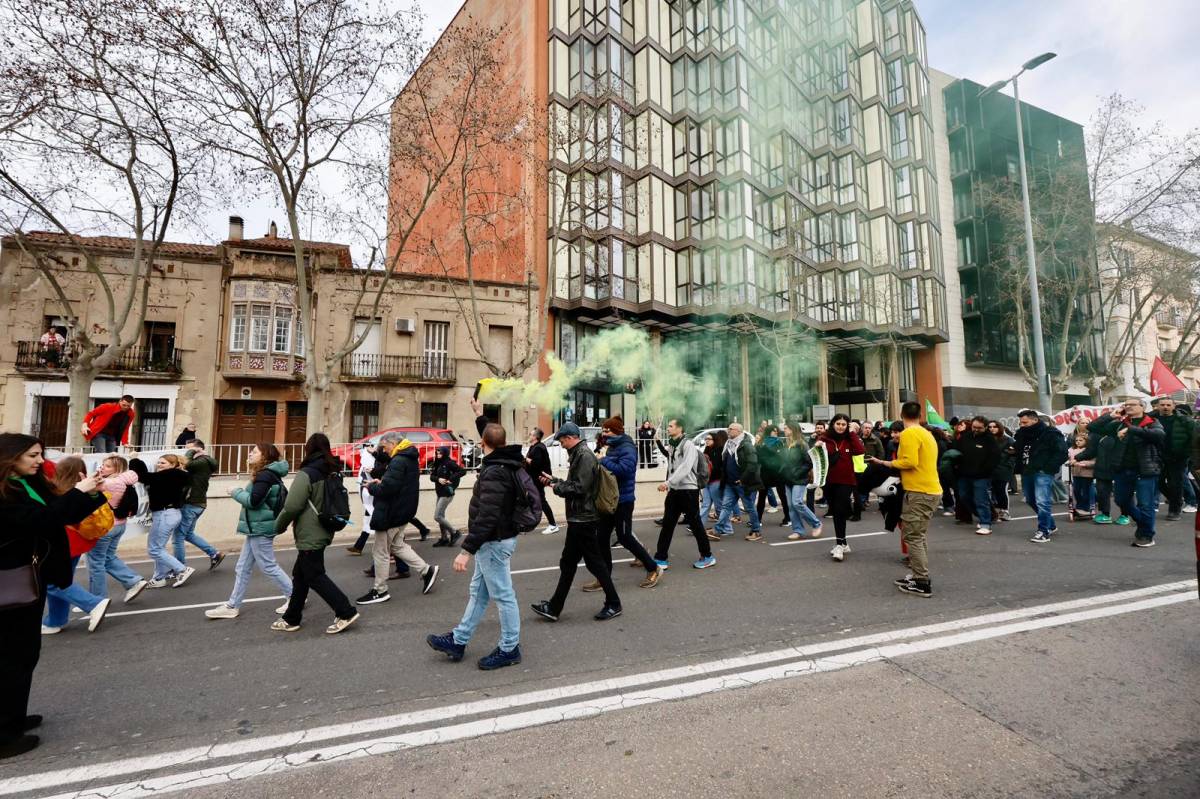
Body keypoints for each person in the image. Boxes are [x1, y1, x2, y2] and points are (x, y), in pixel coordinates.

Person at [0, 433, 105, 760]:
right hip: (10, 578)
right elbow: (42, 520)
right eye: (32, 455)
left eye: (39, 454)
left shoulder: (29, 483)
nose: (38, 460)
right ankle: (4, 736)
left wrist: (93, 494)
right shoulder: (6, 491)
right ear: (11, 457)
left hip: (30, 576)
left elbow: (62, 512)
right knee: (11, 657)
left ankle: (15, 717)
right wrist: (78, 492)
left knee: (25, 653)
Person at [427, 400, 524, 669]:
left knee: (503, 596)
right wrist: (479, 415)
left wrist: (466, 551)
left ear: (483, 444)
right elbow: (491, 434)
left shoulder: (495, 472)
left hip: (493, 541)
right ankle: (458, 640)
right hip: (493, 540)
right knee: (479, 593)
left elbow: (487, 516)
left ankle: (509, 648)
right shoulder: (507, 458)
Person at [531, 422, 622, 622]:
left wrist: (556, 487)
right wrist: (555, 480)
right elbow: (577, 485)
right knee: (569, 563)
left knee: (594, 563)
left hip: (584, 519)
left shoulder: (584, 456)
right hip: (579, 518)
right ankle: (554, 607)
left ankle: (614, 603)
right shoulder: (579, 455)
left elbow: (580, 488)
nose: (561, 444)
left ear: (571, 437)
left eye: (562, 440)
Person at [272, 434, 358, 634]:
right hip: (325, 526)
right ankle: (292, 617)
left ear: (308, 449)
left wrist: (277, 527)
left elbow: (292, 506)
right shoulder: (332, 470)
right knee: (301, 575)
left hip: (310, 531)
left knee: (314, 575)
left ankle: (345, 611)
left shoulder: (307, 473)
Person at [205, 444, 293, 620]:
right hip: (257, 527)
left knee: (268, 565)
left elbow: (254, 501)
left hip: (260, 528)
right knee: (242, 567)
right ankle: (232, 605)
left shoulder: (264, 476)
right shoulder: (269, 474)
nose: (250, 454)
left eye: (254, 452)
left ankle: (295, 597)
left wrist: (235, 492)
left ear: (265, 456)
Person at [868, 402, 941, 598]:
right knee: (919, 535)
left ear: (901, 415)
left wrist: (884, 463)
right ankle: (918, 576)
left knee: (913, 537)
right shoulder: (926, 433)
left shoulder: (909, 433)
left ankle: (922, 582)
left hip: (920, 491)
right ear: (920, 414)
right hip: (928, 490)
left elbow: (909, 462)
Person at [357, 432, 439, 605]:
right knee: (398, 546)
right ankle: (426, 570)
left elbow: (388, 489)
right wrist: (383, 483)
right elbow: (397, 484)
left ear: (393, 443)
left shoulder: (399, 460)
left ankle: (380, 590)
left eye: (385, 447)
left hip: (391, 513)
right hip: (401, 511)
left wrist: (372, 488)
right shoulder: (407, 457)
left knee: (380, 552)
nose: (384, 451)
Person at [40, 457, 113, 635]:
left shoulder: (57, 490)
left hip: (63, 544)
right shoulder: (85, 487)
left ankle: (93, 603)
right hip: (79, 543)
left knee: (53, 583)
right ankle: (55, 620)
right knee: (62, 581)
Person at [588, 416, 660, 589]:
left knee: (625, 537)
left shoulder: (627, 447)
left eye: (607, 430)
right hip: (609, 499)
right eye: (603, 430)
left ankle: (653, 568)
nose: (604, 433)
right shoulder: (612, 446)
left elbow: (625, 470)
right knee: (602, 538)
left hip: (623, 500)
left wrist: (603, 459)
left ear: (617, 431)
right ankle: (605, 578)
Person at [1087, 400, 1165, 547]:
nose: (1128, 406)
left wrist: (1131, 429)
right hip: (1123, 470)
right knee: (1121, 501)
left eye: (1133, 404)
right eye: (1126, 404)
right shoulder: (1120, 423)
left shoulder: (1152, 422)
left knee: (1145, 504)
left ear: (1142, 407)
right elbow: (1092, 427)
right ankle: (1143, 523)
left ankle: (1146, 535)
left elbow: (1158, 435)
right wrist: (1110, 416)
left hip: (1146, 471)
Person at [652, 418, 714, 570]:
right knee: (667, 524)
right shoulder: (674, 445)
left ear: (680, 428)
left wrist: (668, 483)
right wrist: (658, 442)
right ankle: (660, 558)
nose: (668, 429)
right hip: (675, 491)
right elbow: (670, 458)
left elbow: (685, 468)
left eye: (671, 426)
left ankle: (707, 556)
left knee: (696, 525)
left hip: (688, 491)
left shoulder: (688, 445)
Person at [87, 455, 148, 604]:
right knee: (108, 558)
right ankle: (133, 581)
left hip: (105, 527)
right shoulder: (124, 481)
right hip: (119, 525)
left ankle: (97, 600)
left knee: (96, 563)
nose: (102, 467)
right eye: (103, 464)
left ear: (118, 469)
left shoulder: (110, 483)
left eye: (107, 466)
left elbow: (84, 487)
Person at [130, 454, 195, 587]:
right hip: (171, 514)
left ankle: (182, 569)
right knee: (159, 548)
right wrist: (138, 461)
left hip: (164, 515)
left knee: (154, 550)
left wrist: (134, 459)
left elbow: (141, 476)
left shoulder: (168, 475)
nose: (159, 465)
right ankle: (159, 578)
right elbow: (147, 476)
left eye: (163, 463)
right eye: (158, 462)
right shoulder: (175, 476)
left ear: (172, 465)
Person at [1012, 409, 1069, 543]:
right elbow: (1019, 449)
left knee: (1042, 501)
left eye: (1025, 422)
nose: (1022, 425)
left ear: (1035, 420)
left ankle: (1043, 531)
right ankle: (1051, 524)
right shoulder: (1021, 434)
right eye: (1020, 422)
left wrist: (1048, 468)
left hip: (1042, 471)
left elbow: (1061, 452)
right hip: (1027, 471)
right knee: (1030, 499)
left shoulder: (1050, 433)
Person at [818, 414, 864, 562]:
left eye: (844, 424)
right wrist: (817, 445)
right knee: (835, 510)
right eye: (838, 423)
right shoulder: (825, 438)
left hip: (846, 481)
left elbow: (860, 450)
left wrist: (851, 432)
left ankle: (839, 544)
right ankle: (843, 542)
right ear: (833, 424)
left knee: (839, 511)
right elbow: (816, 456)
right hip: (829, 481)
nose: (840, 427)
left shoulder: (850, 439)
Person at [176, 439, 225, 571]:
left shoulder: (201, 462)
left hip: (192, 503)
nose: (186, 452)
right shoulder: (204, 462)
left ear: (198, 449)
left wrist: (191, 451)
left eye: (189, 449)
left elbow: (186, 464)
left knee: (178, 536)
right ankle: (214, 553)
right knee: (188, 534)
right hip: (197, 503)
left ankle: (179, 568)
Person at [713, 422, 763, 538]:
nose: (728, 431)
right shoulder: (728, 444)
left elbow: (753, 464)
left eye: (730, 429)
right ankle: (717, 530)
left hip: (742, 483)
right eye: (728, 428)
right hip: (730, 483)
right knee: (725, 507)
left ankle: (756, 531)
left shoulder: (746, 445)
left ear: (739, 432)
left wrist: (742, 479)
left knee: (749, 507)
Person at [1150, 397, 1194, 521]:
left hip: (1177, 457)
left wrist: (1186, 452)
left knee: (1176, 484)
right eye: (1162, 404)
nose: (1165, 407)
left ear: (1173, 406)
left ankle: (1174, 510)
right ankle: (1176, 500)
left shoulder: (1183, 420)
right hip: (1157, 457)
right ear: (1157, 406)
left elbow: (1194, 436)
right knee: (1158, 482)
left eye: (1168, 405)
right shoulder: (1150, 418)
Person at [957, 416, 1001, 535]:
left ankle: (985, 523)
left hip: (982, 476)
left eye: (979, 428)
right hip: (964, 474)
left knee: (981, 499)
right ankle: (985, 515)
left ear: (985, 427)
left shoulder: (989, 439)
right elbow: (957, 451)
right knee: (964, 496)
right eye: (974, 427)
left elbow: (995, 458)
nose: (976, 429)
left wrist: (985, 472)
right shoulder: (966, 437)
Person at [780, 423, 822, 540]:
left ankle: (816, 524)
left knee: (797, 502)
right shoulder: (786, 443)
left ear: (793, 429)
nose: (784, 430)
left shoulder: (802, 444)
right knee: (791, 506)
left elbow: (809, 462)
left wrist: (797, 473)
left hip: (799, 478)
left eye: (786, 428)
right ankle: (798, 530)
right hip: (788, 478)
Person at [752, 425, 790, 536]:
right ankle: (758, 520)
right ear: (769, 431)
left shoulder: (778, 442)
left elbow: (781, 456)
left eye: (777, 431)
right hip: (765, 473)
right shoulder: (761, 443)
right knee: (762, 496)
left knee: (782, 496)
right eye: (774, 431)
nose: (776, 432)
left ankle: (787, 518)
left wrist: (766, 449)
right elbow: (758, 456)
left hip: (778, 472)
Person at [429, 446, 465, 547]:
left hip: (447, 493)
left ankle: (454, 532)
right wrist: (438, 479)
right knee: (441, 516)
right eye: (437, 453)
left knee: (437, 516)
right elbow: (431, 477)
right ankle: (444, 538)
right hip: (439, 492)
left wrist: (450, 479)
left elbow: (462, 471)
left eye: (440, 453)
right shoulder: (437, 463)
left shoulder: (449, 463)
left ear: (445, 453)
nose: (438, 455)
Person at [525, 427, 559, 534]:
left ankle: (553, 525)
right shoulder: (534, 447)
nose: (529, 436)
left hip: (539, 479)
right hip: (533, 479)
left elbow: (536, 464)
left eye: (530, 434)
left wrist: (525, 459)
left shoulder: (539, 448)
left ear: (535, 437)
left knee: (541, 501)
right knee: (530, 500)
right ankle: (528, 523)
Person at [988, 421, 1016, 522]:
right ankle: (993, 511)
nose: (992, 428)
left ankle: (1004, 511)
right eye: (990, 427)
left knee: (1001, 490)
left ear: (999, 427)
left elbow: (1013, 455)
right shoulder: (986, 439)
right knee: (991, 491)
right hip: (989, 469)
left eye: (994, 427)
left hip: (1003, 470)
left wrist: (1007, 466)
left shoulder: (1008, 440)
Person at [1067, 434, 1096, 520]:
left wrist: (1084, 464)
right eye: (1077, 440)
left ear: (1086, 441)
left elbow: (1094, 462)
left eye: (1081, 440)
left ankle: (1085, 508)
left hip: (1087, 474)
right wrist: (1068, 462)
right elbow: (1069, 459)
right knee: (1076, 490)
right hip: (1076, 474)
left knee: (1086, 491)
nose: (1078, 442)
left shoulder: (1089, 450)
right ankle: (1080, 506)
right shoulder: (1072, 450)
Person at [699, 431, 725, 522]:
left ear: (715, 440)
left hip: (716, 481)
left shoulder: (719, 449)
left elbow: (717, 467)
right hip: (707, 481)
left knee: (718, 505)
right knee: (705, 504)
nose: (707, 441)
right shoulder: (706, 450)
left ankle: (726, 527)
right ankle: (699, 526)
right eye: (706, 439)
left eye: (709, 439)